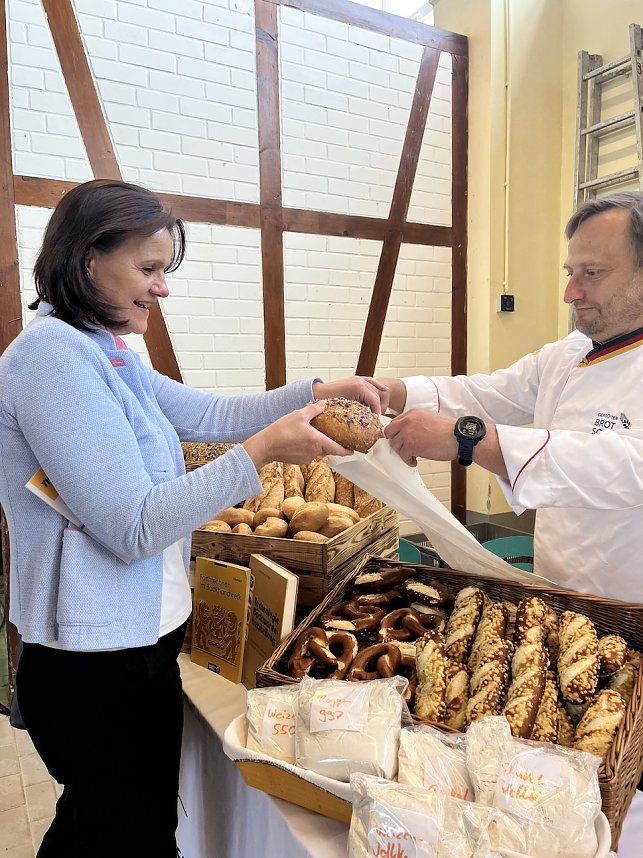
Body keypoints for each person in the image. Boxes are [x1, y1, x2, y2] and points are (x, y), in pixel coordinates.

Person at [0, 178, 389, 857]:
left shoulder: (107, 347)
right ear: (89, 257)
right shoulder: (50, 358)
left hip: (135, 647)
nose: (162, 287)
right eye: (148, 270)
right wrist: (262, 454)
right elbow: (133, 527)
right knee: (118, 832)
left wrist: (316, 392)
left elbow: (206, 413)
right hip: (91, 662)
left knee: (126, 825)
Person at [380, 190, 643, 603]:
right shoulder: (566, 354)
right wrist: (391, 391)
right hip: (558, 591)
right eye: (569, 272)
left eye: (591, 273)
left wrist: (470, 439)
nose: (570, 293)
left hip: (630, 605)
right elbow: (486, 394)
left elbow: (626, 466)